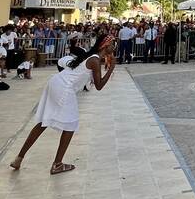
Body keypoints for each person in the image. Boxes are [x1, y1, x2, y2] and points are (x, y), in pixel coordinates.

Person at [10, 35, 116, 175]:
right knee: (70, 125)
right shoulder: (95, 60)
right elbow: (99, 86)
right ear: (105, 45)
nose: (114, 46)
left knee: (44, 122)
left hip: (56, 82)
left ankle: (19, 158)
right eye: (113, 43)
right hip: (65, 88)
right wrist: (111, 68)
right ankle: (57, 164)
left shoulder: (91, 56)